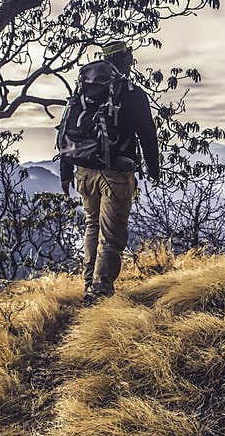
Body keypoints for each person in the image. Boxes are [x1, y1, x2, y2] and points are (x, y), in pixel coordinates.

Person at [59, 41, 160, 301]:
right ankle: (100, 291)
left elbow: (67, 130)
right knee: (112, 236)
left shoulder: (84, 92)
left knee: (92, 226)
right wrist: (153, 168)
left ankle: (89, 284)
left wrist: (65, 170)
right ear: (125, 60)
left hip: (83, 170)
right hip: (115, 173)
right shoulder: (131, 93)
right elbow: (147, 133)